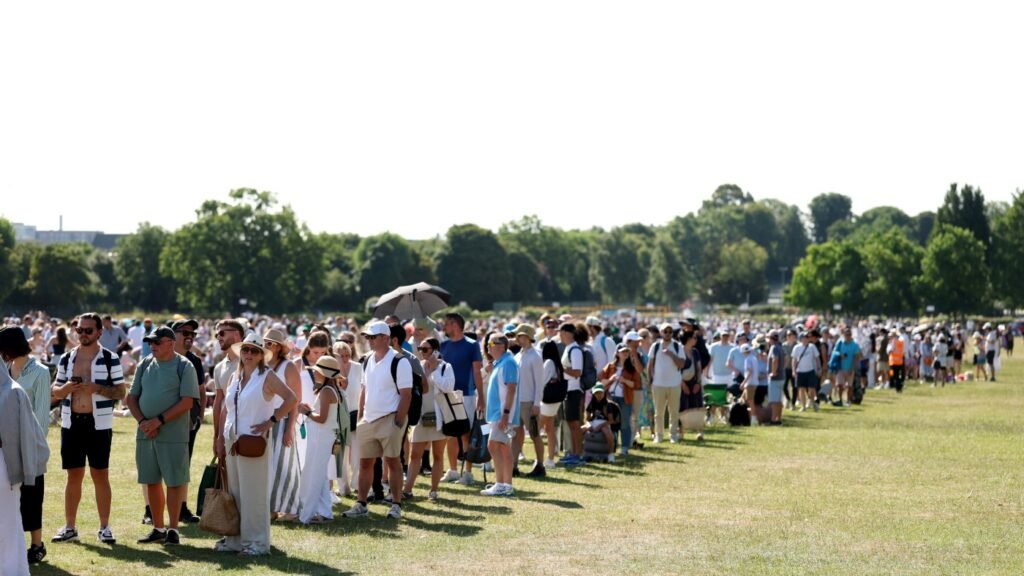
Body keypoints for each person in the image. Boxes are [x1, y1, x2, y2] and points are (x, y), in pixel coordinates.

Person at [215, 332, 297, 556]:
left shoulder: (267, 376)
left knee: (254, 494)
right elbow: (225, 409)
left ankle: (257, 543)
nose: (249, 354)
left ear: (262, 355)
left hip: (253, 442)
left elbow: (291, 399)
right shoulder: (235, 376)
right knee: (235, 492)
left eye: (254, 350)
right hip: (232, 439)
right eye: (246, 350)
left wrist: (271, 421)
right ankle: (235, 539)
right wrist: (219, 438)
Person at [50, 312, 126, 545]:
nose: (82, 334)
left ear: (99, 332)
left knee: (100, 475)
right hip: (71, 423)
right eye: (79, 330)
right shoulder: (67, 358)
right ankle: (70, 527)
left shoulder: (110, 358)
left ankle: (104, 527)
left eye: (88, 330)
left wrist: (96, 388)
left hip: (99, 424)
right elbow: (55, 389)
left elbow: (121, 392)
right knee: (73, 476)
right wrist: (65, 390)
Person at [127, 326, 200, 546]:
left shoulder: (184, 366)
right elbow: (131, 398)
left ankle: (174, 529)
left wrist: (157, 421)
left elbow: (187, 401)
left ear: (170, 343)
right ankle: (158, 528)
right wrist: (143, 422)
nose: (153, 346)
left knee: (175, 482)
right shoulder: (145, 363)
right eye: (151, 342)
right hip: (146, 434)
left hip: (173, 434)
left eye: (157, 342)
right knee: (151, 481)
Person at [343, 321, 412, 520]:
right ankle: (361, 503)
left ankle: (396, 504)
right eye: (368, 337)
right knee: (365, 463)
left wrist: (398, 421)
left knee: (393, 462)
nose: (370, 340)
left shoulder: (400, 360)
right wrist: (361, 417)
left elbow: (406, 394)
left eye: (373, 337)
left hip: (390, 418)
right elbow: (364, 390)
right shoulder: (367, 360)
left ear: (385, 338)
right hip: (369, 420)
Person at [0, 327, 51, 564]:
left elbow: (40, 414)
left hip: (30, 443)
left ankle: (37, 544)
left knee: (32, 496)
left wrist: (28, 447)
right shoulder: (6, 370)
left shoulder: (40, 371)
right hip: (9, 443)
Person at [297, 355, 347, 525]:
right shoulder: (330, 390)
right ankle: (325, 512)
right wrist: (311, 412)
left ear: (325, 374)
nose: (316, 374)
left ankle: (307, 515)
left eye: (318, 371)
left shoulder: (326, 391)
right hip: (321, 436)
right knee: (320, 476)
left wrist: (307, 412)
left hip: (321, 437)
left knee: (314, 476)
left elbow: (322, 419)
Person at [402, 337, 454, 501]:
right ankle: (408, 489)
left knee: (438, 455)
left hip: (439, 418)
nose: (422, 352)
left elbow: (448, 387)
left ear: (435, 350)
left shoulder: (445, 367)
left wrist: (434, 371)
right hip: (421, 417)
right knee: (414, 454)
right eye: (420, 348)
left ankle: (433, 490)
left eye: (426, 349)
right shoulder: (418, 366)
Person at [439, 313, 484, 485]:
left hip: (466, 395)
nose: (445, 327)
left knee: (466, 434)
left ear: (455, 325)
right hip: (448, 395)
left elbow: (477, 372)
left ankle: (468, 473)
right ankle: (452, 470)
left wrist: (481, 397)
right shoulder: (443, 345)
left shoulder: (472, 345)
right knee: (450, 433)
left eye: (447, 324)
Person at [264, 328, 303, 522]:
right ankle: (269, 508)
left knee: (284, 467)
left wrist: (289, 429)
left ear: (279, 347)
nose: (266, 346)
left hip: (282, 421)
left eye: (270, 343)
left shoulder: (288, 367)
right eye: (265, 342)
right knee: (266, 467)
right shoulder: (260, 365)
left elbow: (295, 400)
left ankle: (290, 508)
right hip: (263, 420)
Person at [481, 335, 519, 496]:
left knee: (494, 446)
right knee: (502, 448)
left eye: (491, 343)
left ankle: (501, 484)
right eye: (487, 343)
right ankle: (505, 484)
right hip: (498, 414)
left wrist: (505, 415)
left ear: (502, 346)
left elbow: (511, 390)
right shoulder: (502, 362)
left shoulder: (509, 362)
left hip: (502, 414)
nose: (488, 347)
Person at [512, 324, 546, 477]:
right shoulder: (518, 355)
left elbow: (539, 382)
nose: (517, 338)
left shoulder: (535, 356)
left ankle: (540, 465)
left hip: (529, 402)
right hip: (517, 402)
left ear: (527, 337)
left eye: (520, 335)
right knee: (516, 434)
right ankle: (513, 466)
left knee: (534, 434)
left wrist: (536, 403)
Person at [333, 339, 363, 499]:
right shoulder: (331, 371)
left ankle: (357, 483)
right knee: (340, 454)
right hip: (339, 416)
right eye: (341, 356)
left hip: (356, 414)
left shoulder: (358, 367)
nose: (345, 359)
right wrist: (340, 369)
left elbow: (363, 390)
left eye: (347, 355)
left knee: (357, 452)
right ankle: (343, 487)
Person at [648, 323, 685, 443]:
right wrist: (651, 380)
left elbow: (681, 364)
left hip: (674, 384)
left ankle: (673, 435)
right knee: (658, 413)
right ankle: (659, 435)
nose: (668, 333)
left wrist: (671, 354)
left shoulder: (678, 346)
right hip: (658, 384)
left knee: (674, 412)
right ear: (661, 332)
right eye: (665, 331)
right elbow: (650, 365)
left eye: (670, 331)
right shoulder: (655, 346)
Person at [601, 345, 639, 456]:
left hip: (626, 399)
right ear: (617, 353)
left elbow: (636, 385)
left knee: (625, 424)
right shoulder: (610, 367)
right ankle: (612, 446)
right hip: (611, 398)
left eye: (627, 351)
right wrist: (611, 379)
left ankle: (625, 447)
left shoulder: (632, 368)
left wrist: (624, 381)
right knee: (612, 423)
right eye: (623, 352)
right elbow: (601, 382)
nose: (625, 353)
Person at [558, 323, 586, 463]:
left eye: (561, 332)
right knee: (571, 423)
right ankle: (574, 453)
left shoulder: (575, 350)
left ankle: (578, 454)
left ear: (567, 333)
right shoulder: (569, 348)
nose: (559, 335)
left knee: (574, 424)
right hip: (568, 390)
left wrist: (561, 368)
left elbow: (577, 372)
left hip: (573, 390)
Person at [537, 341, 564, 469]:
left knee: (535, 430)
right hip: (556, 400)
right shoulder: (557, 364)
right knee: (550, 429)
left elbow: (542, 381)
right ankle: (550, 459)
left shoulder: (548, 362)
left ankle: (540, 460)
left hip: (547, 400)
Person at [677, 330, 704, 441]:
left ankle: (699, 431)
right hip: (680, 383)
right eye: (694, 337)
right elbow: (677, 370)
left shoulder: (695, 352)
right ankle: (680, 431)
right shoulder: (679, 351)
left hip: (694, 382)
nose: (695, 339)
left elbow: (698, 368)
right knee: (681, 407)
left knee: (697, 406)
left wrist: (697, 383)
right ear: (688, 339)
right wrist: (683, 384)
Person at [583, 383, 615, 461]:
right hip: (593, 422)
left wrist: (600, 426)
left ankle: (611, 454)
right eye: (596, 393)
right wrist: (588, 423)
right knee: (580, 429)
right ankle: (580, 452)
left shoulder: (607, 404)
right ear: (593, 394)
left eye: (600, 392)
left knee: (607, 432)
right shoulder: (591, 404)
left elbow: (611, 420)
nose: (599, 395)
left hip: (604, 423)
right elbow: (587, 419)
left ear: (604, 393)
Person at [831, 327, 862, 407]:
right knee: (840, 385)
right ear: (843, 334)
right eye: (846, 334)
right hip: (840, 367)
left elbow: (857, 357)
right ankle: (840, 400)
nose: (848, 336)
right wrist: (840, 355)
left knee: (850, 386)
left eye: (849, 334)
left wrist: (852, 368)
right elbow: (834, 352)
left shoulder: (854, 345)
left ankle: (848, 401)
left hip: (850, 368)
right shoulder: (840, 343)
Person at [792, 332, 820, 411]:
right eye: (804, 337)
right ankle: (803, 406)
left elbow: (817, 358)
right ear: (801, 339)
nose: (805, 339)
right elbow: (794, 360)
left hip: (810, 370)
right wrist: (794, 371)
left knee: (811, 389)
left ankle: (812, 402)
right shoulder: (796, 348)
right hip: (800, 371)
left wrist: (818, 368)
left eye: (807, 337)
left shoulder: (812, 347)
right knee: (801, 389)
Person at [766, 331, 785, 424]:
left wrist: (773, 372)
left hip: (775, 378)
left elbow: (775, 359)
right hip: (781, 377)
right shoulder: (780, 347)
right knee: (779, 400)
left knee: (773, 401)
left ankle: (773, 420)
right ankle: (778, 419)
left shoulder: (774, 347)